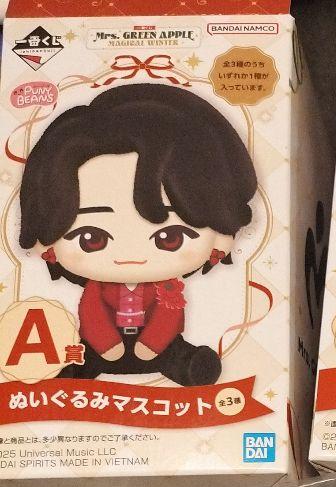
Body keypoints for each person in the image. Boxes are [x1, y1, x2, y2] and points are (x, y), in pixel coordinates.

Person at [20, 84, 258, 385]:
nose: (129, 255)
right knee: (82, 358)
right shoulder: (98, 289)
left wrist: (152, 344)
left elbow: (169, 316)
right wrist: (106, 344)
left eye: (169, 238)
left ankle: (190, 367)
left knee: (177, 355)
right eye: (92, 239)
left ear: (222, 234)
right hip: (103, 345)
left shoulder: (168, 288)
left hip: (159, 346)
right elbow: (92, 312)